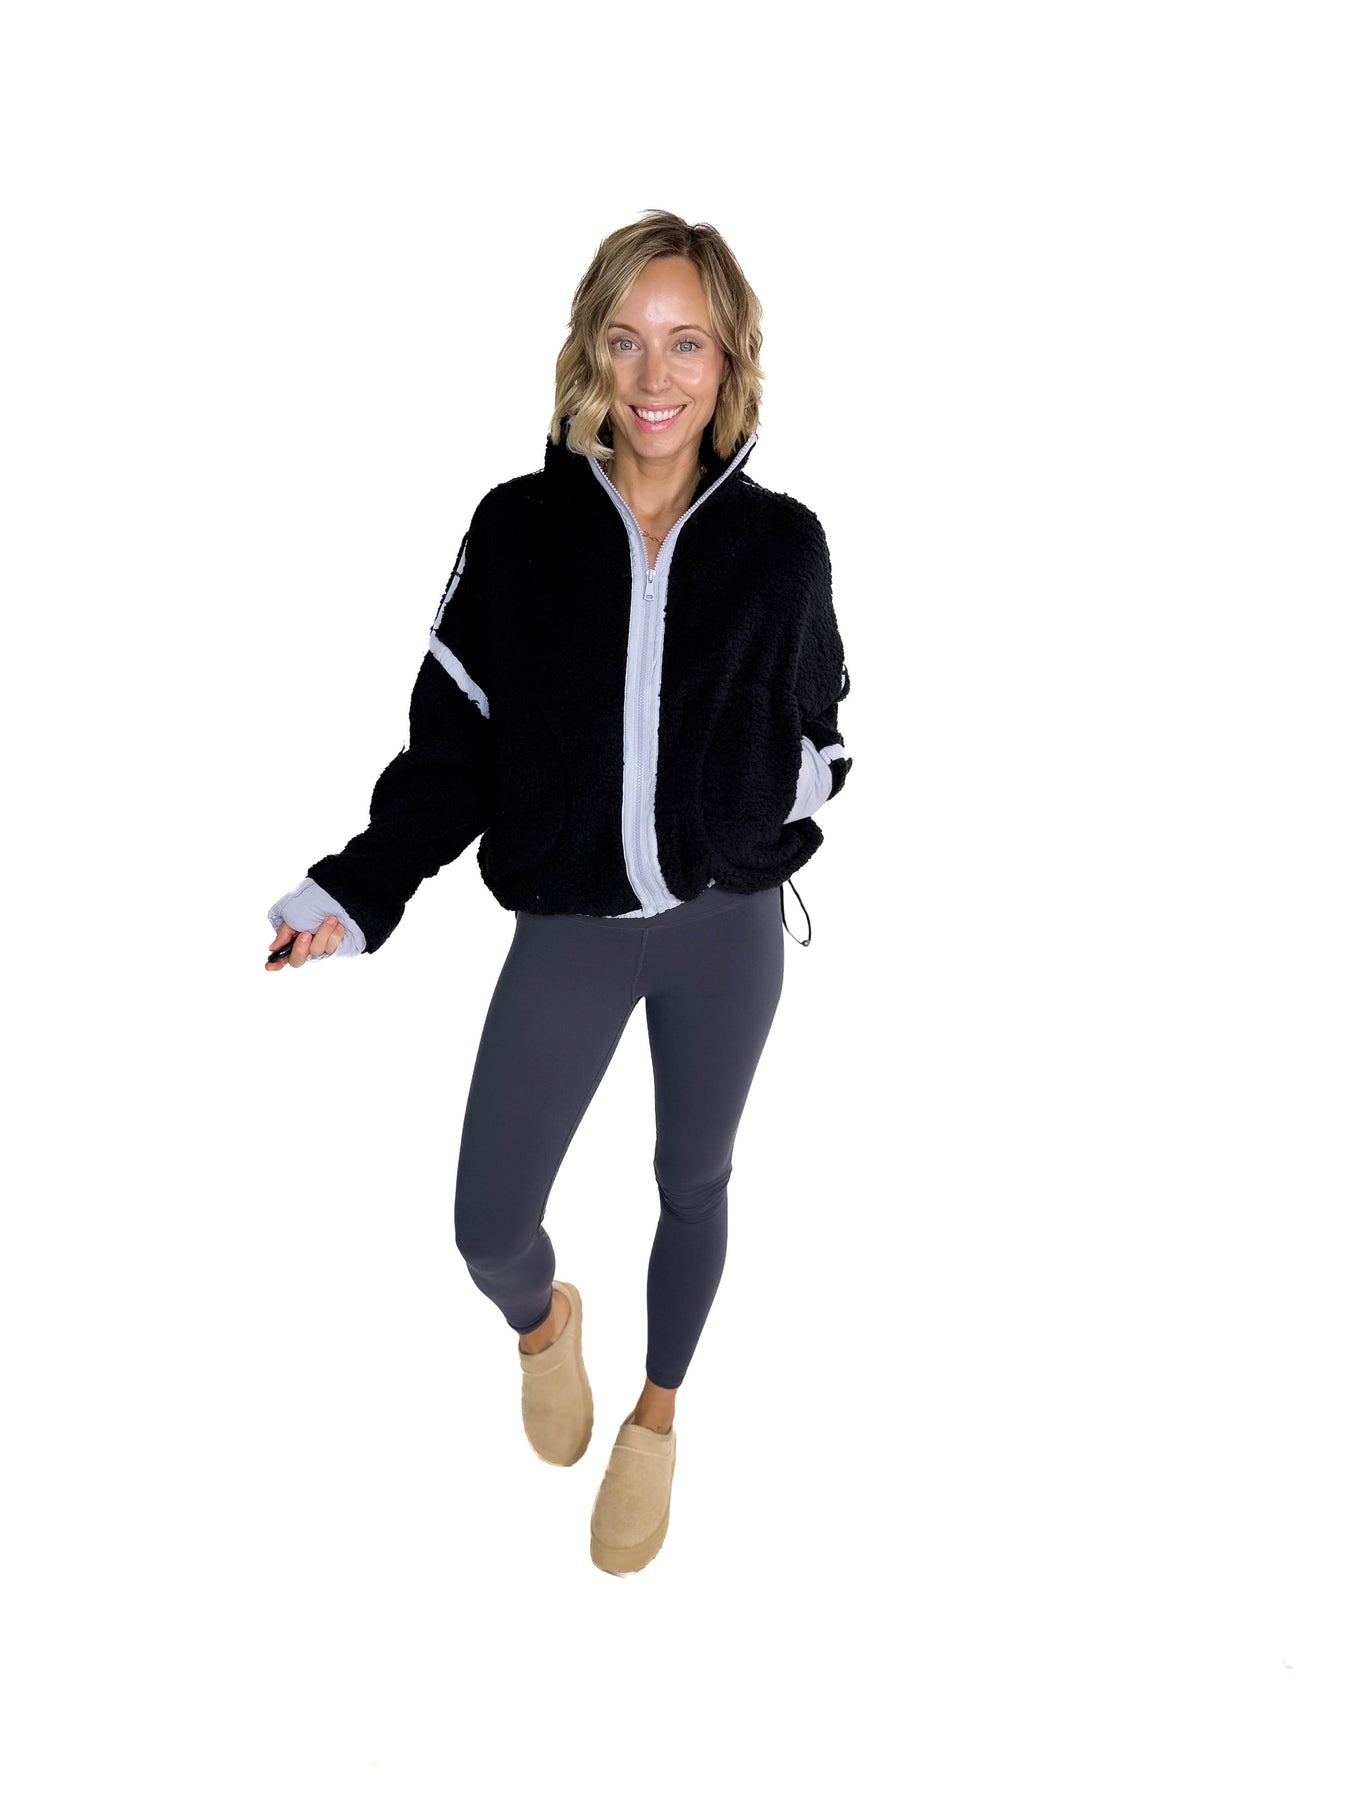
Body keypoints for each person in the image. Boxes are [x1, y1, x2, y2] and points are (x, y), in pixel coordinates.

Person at [263, 209, 854, 1576]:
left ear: (728, 361)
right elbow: (451, 752)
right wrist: (356, 888)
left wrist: (750, 804)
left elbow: (824, 739)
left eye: (687, 343)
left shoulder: (782, 548)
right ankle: (545, 1327)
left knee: (691, 1180)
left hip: (724, 929)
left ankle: (655, 1420)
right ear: (591, 349)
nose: (656, 376)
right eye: (627, 339)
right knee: (486, 1226)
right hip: (570, 930)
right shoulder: (518, 530)